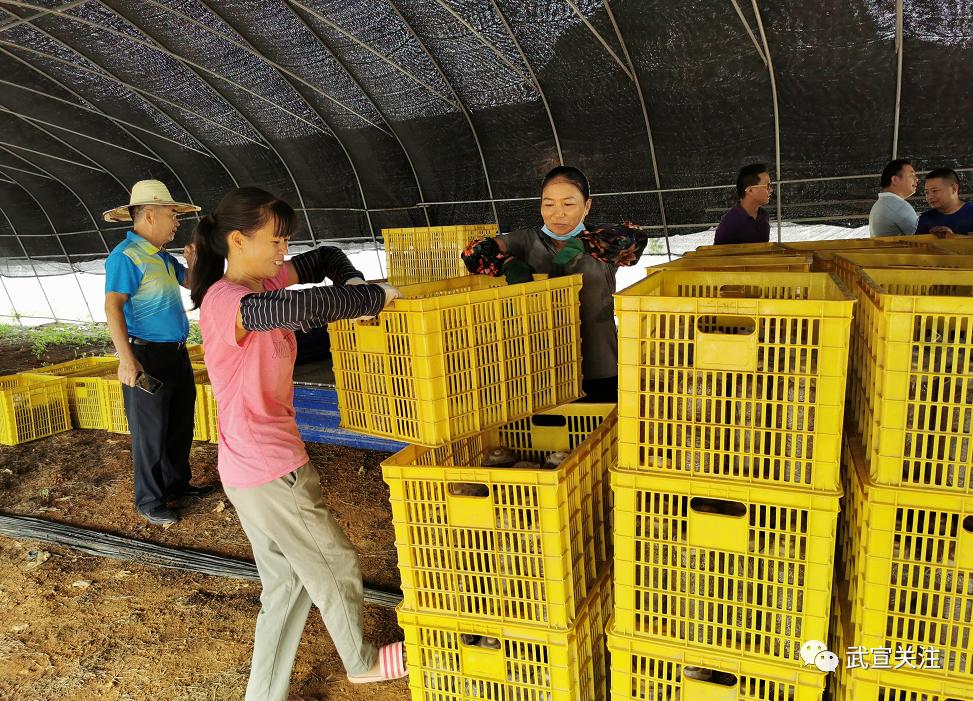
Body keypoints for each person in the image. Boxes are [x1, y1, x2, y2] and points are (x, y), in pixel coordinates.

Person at [191, 187, 405, 699]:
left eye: (287, 240)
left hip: (251, 466)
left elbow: (326, 260)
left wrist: (352, 279)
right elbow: (299, 307)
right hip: (269, 468)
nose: (284, 252)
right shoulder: (230, 301)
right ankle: (360, 662)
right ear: (239, 241)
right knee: (335, 564)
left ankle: (263, 695)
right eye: (276, 240)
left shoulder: (265, 277)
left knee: (286, 584)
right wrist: (374, 297)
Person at [462, 166, 647, 403]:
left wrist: (580, 244)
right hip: (540, 372)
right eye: (549, 204)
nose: (557, 213)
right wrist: (508, 263)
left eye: (568, 204)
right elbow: (472, 252)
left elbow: (635, 237)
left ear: (587, 206)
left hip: (598, 368)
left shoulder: (603, 244)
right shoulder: (524, 241)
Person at [103, 179, 215, 527]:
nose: (177, 222)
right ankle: (149, 500)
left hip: (175, 354)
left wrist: (194, 261)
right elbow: (113, 308)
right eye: (172, 215)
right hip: (146, 355)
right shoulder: (126, 257)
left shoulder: (162, 258)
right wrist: (127, 359)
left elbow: (193, 285)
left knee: (180, 422)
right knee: (150, 430)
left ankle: (177, 484)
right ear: (149, 215)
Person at [713, 163, 772, 245]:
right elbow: (716, 255)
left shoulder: (764, 216)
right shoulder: (730, 223)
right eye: (767, 186)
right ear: (750, 190)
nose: (771, 190)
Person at [916, 167, 973, 236]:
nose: (930, 197)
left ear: (954, 188)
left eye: (935, 191)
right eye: (927, 192)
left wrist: (952, 237)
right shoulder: (925, 218)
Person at [869, 159, 919, 237]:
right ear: (895, 180)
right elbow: (922, 237)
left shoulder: (880, 204)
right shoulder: (898, 206)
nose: (916, 179)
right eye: (911, 175)